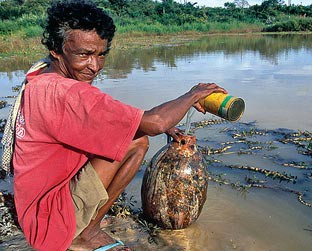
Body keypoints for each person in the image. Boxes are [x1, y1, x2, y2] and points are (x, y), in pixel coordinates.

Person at [10, 0, 226, 250]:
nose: (94, 66)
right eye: (84, 54)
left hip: (35, 209)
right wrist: (191, 96)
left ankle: (84, 227)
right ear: (56, 50)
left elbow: (102, 115)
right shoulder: (67, 93)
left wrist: (150, 123)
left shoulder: (42, 77)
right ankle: (85, 233)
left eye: (101, 54)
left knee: (128, 132)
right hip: (50, 223)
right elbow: (154, 123)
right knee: (136, 142)